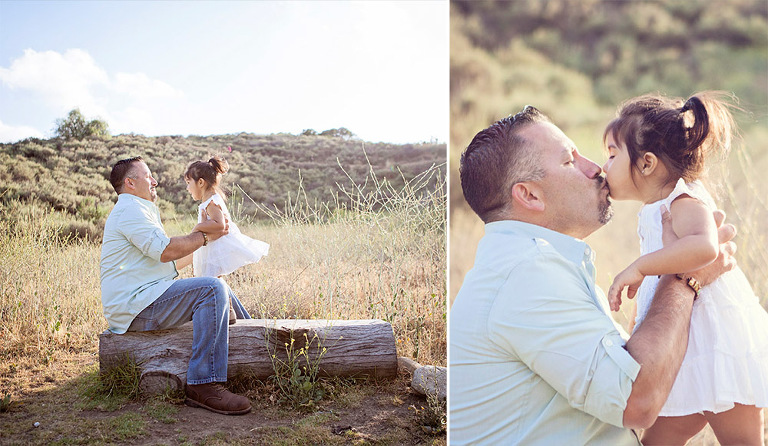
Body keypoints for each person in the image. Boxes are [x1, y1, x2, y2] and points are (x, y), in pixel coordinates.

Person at [449, 106, 737, 445]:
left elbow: (634, 374)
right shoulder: (527, 275)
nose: (595, 168)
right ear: (529, 195)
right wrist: (686, 276)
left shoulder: (530, 264)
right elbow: (636, 400)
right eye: (570, 161)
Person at [602, 92, 768, 445]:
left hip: (718, 343)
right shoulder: (657, 206)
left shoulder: (683, 198)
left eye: (613, 155)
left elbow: (705, 246)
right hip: (683, 352)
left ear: (647, 163)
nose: (605, 166)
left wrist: (640, 267)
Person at [100, 156, 252, 415]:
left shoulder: (139, 210)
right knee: (210, 290)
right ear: (130, 183)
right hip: (136, 305)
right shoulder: (130, 211)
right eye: (148, 177)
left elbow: (170, 261)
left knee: (217, 284)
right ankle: (202, 385)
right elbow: (168, 250)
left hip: (147, 296)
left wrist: (210, 244)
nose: (155, 181)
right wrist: (204, 235)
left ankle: (260, 345)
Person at [184, 155, 269, 280]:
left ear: (200, 182)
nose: (187, 188)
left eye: (188, 183)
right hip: (211, 248)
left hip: (217, 249)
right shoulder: (208, 202)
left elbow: (220, 225)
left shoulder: (211, 203)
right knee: (208, 280)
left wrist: (198, 227)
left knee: (211, 280)